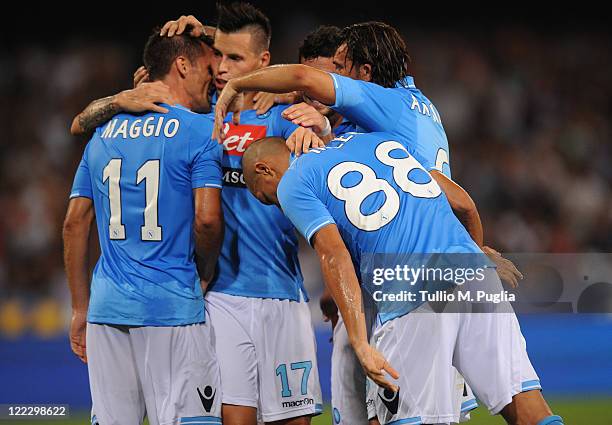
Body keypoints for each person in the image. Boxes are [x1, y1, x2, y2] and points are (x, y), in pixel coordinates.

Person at [240, 134, 563, 425]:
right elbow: (464, 204)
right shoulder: (379, 140)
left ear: (264, 170)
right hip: (475, 273)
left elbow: (333, 255)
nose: (275, 203)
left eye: (264, 197)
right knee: (530, 411)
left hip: (412, 289)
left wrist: (360, 342)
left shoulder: (293, 182)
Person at [63, 28, 224, 425]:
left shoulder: (101, 134)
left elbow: (73, 224)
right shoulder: (199, 132)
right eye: (207, 66)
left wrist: (80, 308)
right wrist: (205, 269)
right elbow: (206, 219)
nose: (214, 75)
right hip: (172, 307)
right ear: (181, 65)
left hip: (106, 310)